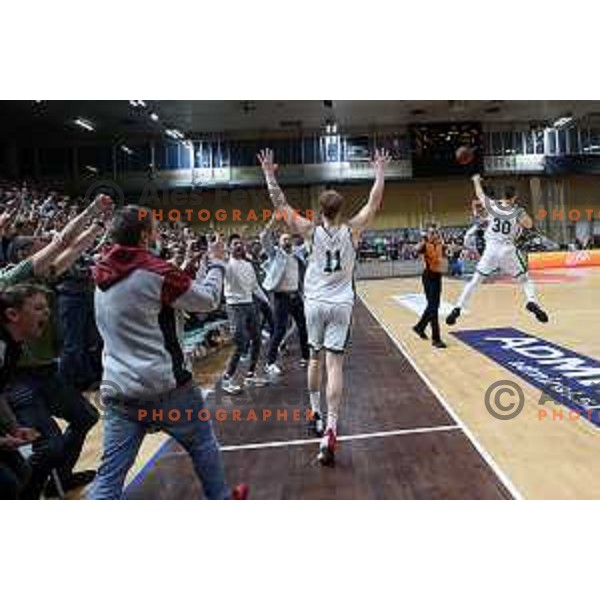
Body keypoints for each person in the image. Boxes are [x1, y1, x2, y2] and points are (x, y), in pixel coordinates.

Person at [88, 205, 247, 500]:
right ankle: (221, 499)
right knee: (202, 445)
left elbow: (150, 298)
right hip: (165, 386)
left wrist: (185, 269)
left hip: (118, 388)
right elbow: (209, 299)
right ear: (146, 235)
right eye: (156, 227)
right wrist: (216, 263)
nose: (159, 232)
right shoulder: (155, 271)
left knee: (109, 477)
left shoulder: (101, 272)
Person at [257, 147, 390, 466]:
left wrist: (269, 174)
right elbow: (374, 202)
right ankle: (331, 427)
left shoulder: (308, 231)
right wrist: (380, 171)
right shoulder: (353, 230)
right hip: (341, 304)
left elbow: (280, 205)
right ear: (341, 209)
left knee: (314, 360)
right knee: (335, 366)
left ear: (320, 209)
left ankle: (314, 413)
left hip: (314, 303)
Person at [446, 174, 549, 326]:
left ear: (504, 195)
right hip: (507, 250)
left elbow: (479, 194)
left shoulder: (492, 206)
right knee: (525, 279)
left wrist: (475, 180)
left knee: (474, 281)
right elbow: (529, 224)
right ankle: (531, 302)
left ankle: (457, 308)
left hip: (491, 250)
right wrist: (520, 217)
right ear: (515, 197)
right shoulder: (517, 211)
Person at [222, 233, 270, 394]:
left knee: (257, 340)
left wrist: (266, 301)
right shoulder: (226, 265)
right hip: (234, 306)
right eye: (235, 243)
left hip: (249, 304)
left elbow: (255, 287)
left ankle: (250, 375)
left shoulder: (248, 265)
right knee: (240, 342)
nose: (239, 245)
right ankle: (227, 378)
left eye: (240, 243)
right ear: (229, 247)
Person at [261, 216, 309, 377]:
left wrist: (302, 225)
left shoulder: (297, 253)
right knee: (280, 330)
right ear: (279, 243)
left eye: (289, 239)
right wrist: (272, 222)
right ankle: (270, 363)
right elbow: (264, 237)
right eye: (284, 239)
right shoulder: (275, 254)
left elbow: (309, 240)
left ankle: (306, 357)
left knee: (303, 326)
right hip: (281, 298)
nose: (287, 241)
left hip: (296, 297)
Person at [413, 225, 447, 348]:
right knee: (433, 308)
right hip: (428, 277)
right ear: (427, 235)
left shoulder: (440, 244)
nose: (434, 235)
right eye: (431, 233)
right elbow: (415, 249)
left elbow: (447, 251)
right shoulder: (424, 245)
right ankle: (436, 339)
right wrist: (422, 240)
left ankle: (419, 327)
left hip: (438, 277)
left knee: (434, 306)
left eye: (435, 233)